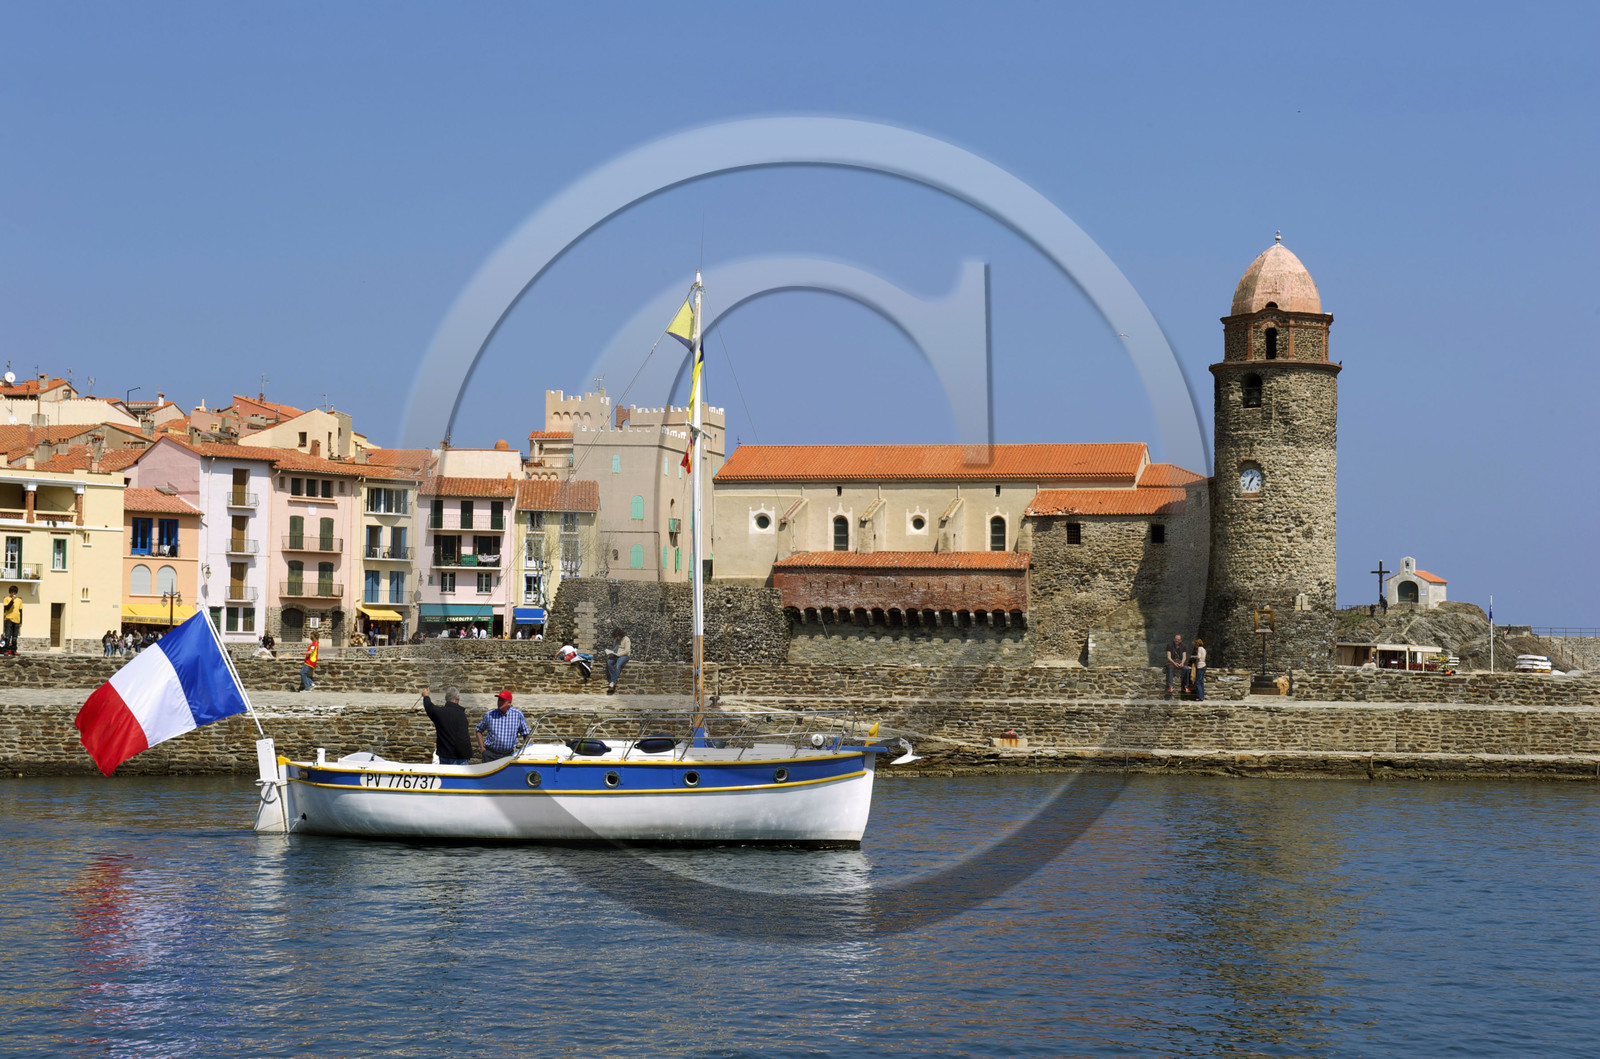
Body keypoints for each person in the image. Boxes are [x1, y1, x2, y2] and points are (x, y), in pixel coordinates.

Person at [421, 685, 473, 765]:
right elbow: (463, 738)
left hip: (444, 755)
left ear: (446, 698)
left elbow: (429, 707)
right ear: (458, 698)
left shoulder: (440, 713)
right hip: (459, 757)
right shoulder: (460, 714)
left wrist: (426, 696)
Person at [475, 690, 529, 762]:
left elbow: (526, 734)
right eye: (499, 700)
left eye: (502, 701)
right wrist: (482, 749)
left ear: (509, 703)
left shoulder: (517, 714)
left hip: (508, 755)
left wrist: (527, 750)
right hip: (490, 755)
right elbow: (478, 730)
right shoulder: (490, 715)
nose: (499, 702)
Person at [605, 627, 631, 693]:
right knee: (609, 662)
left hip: (624, 656)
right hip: (616, 655)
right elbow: (614, 648)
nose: (617, 638)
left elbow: (627, 650)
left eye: (618, 636)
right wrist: (611, 653)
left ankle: (613, 681)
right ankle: (613, 679)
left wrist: (618, 654)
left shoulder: (626, 639)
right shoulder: (616, 640)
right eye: (616, 636)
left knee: (617, 665)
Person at [1165, 634, 1188, 698]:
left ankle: (1186, 686)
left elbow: (1184, 657)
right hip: (1172, 661)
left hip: (1180, 661)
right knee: (1170, 668)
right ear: (1174, 639)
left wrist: (1182, 663)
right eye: (1176, 639)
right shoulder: (1169, 645)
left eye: (1178, 639)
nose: (1177, 640)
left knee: (1186, 668)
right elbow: (1168, 657)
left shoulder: (1183, 646)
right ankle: (1170, 686)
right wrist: (1174, 663)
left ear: (1181, 640)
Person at [3, 586, 22, 656]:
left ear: (16, 592)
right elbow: (7, 608)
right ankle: (6, 650)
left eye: (14, 592)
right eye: (11, 592)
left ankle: (14, 650)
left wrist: (21, 622)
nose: (13, 593)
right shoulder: (6, 599)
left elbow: (20, 611)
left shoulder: (19, 600)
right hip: (9, 619)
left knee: (15, 636)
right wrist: (12, 601)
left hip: (17, 620)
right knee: (7, 636)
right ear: (10, 592)